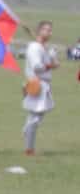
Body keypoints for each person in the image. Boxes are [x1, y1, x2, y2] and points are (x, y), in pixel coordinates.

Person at [22, 20, 57, 155]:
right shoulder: (34, 47)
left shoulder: (41, 47)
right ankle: (29, 148)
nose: (50, 32)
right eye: (47, 30)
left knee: (38, 115)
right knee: (35, 117)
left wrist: (52, 58)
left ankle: (27, 134)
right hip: (37, 84)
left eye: (50, 30)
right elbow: (37, 66)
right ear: (40, 31)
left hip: (44, 84)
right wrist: (51, 65)